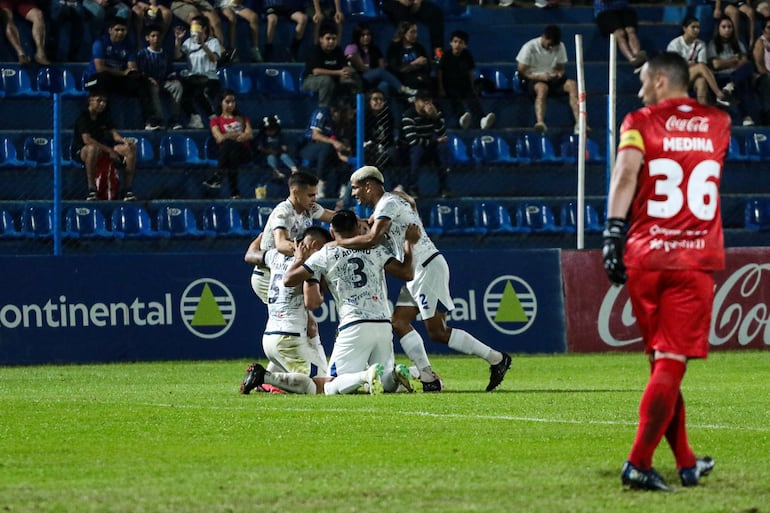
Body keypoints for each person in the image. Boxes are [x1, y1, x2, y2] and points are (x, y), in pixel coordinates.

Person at [602, 51, 727, 491]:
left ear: (658, 81)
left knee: (661, 365)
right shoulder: (718, 124)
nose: (638, 91)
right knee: (671, 364)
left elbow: (624, 178)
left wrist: (612, 234)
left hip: (645, 257)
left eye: (641, 81)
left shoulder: (639, 122)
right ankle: (638, 463)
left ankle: (688, 463)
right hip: (691, 260)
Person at [338, 166, 513, 393]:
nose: (353, 194)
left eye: (355, 188)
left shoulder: (387, 204)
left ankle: (497, 359)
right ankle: (428, 376)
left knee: (437, 332)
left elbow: (372, 239)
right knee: (399, 322)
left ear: (368, 186)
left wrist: (338, 244)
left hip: (426, 266)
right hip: (417, 269)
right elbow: (408, 203)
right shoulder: (392, 202)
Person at [281, 209, 419, 395]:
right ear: (357, 228)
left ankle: (364, 376)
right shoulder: (376, 249)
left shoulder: (325, 254)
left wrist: (300, 259)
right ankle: (395, 375)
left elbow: (289, 279)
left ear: (332, 232)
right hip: (383, 324)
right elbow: (407, 273)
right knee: (386, 384)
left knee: (331, 386)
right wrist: (409, 244)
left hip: (354, 324)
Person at [240, 226, 333, 395]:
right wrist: (323, 281)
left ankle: (268, 382)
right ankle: (265, 378)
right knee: (320, 385)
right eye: (323, 248)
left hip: (270, 337)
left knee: (309, 379)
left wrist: (262, 235)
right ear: (314, 244)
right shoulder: (309, 263)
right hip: (289, 338)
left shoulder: (276, 255)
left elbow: (250, 254)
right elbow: (312, 302)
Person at [84, 17, 164, 131]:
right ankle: (103, 122)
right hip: (94, 80)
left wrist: (137, 75)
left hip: (116, 80)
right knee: (103, 78)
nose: (120, 33)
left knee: (141, 82)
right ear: (110, 30)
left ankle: (150, 120)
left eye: (123, 30)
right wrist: (123, 72)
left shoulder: (128, 46)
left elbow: (132, 68)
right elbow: (100, 68)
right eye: (117, 30)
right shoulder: (100, 43)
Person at [72, 90, 138, 201]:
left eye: (104, 101)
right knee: (93, 149)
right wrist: (109, 151)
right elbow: (87, 140)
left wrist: (124, 141)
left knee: (130, 149)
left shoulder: (104, 116)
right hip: (83, 151)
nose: (102, 104)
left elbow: (114, 134)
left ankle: (127, 190)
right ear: (90, 100)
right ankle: (92, 190)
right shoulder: (83, 117)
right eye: (99, 100)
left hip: (104, 149)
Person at [516, 24, 582, 135]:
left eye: (554, 46)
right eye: (549, 44)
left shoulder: (560, 46)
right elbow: (522, 72)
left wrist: (559, 74)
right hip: (533, 78)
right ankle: (540, 123)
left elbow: (561, 68)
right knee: (542, 88)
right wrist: (539, 76)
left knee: (572, 85)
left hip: (552, 78)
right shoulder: (529, 47)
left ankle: (579, 123)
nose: (551, 48)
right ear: (544, 37)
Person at [666, 15, 733, 107]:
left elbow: (702, 64)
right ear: (685, 28)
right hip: (676, 79)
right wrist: (694, 65)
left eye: (698, 27)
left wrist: (692, 65)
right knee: (700, 67)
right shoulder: (675, 44)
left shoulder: (700, 44)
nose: (696, 30)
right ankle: (719, 94)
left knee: (701, 81)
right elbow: (676, 67)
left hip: (691, 77)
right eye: (693, 27)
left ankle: (703, 111)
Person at [437, 29, 495, 130]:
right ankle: (461, 118)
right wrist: (441, 89)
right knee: (456, 98)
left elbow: (470, 72)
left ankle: (483, 119)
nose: (457, 44)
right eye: (455, 42)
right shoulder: (446, 55)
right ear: (451, 43)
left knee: (473, 99)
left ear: (465, 45)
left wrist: (472, 86)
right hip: (450, 85)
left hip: (465, 85)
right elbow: (440, 73)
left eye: (461, 42)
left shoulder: (467, 55)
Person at [706, 15, 758, 125]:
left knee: (749, 66)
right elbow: (716, 65)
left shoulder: (738, 43)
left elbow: (743, 62)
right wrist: (734, 59)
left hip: (736, 76)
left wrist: (725, 63)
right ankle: (746, 117)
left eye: (729, 27)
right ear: (718, 29)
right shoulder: (712, 44)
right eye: (723, 27)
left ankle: (730, 86)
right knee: (744, 82)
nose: (727, 30)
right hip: (721, 77)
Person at [399, 90, 451, 199]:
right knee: (417, 150)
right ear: (416, 102)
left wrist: (435, 117)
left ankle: (444, 188)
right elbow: (413, 141)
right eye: (424, 101)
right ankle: (412, 187)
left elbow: (442, 135)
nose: (427, 104)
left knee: (443, 148)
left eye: (429, 101)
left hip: (428, 147)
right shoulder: (408, 115)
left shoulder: (435, 113)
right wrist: (435, 142)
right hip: (408, 150)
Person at [174, 15, 222, 128]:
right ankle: (195, 118)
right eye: (192, 27)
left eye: (196, 26)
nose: (193, 29)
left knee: (198, 91)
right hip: (193, 77)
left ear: (204, 28)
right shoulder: (188, 42)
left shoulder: (213, 41)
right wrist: (178, 40)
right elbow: (177, 56)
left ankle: (212, 117)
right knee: (183, 91)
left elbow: (214, 58)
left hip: (210, 77)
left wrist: (202, 44)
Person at [345, 22, 417, 97]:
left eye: (368, 34)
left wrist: (376, 71)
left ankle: (404, 98)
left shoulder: (374, 49)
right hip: (359, 78)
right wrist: (374, 71)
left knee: (385, 83)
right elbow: (360, 67)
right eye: (363, 35)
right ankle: (402, 89)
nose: (366, 37)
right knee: (380, 72)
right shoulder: (351, 47)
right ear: (357, 36)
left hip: (375, 77)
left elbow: (382, 66)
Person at [204, 89, 253, 198]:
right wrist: (238, 134)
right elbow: (219, 138)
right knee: (230, 150)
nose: (231, 105)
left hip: (244, 152)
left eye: (233, 102)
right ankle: (234, 193)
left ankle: (218, 175)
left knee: (229, 145)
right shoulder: (216, 121)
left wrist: (229, 135)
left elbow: (249, 134)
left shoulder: (242, 118)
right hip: (228, 153)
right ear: (221, 102)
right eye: (227, 102)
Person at [300, 101, 353, 199]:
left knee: (343, 155)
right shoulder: (322, 113)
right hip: (311, 148)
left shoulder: (344, 121)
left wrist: (345, 147)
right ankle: (319, 182)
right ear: (334, 111)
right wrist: (334, 142)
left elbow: (345, 140)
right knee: (326, 147)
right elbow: (315, 135)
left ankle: (344, 187)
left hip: (332, 152)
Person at [302, 23, 360, 108]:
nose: (331, 41)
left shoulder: (338, 50)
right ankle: (323, 111)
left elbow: (344, 66)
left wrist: (348, 71)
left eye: (334, 39)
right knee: (326, 80)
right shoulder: (315, 50)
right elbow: (316, 71)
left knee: (352, 79)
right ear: (321, 39)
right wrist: (338, 72)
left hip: (334, 80)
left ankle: (351, 109)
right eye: (328, 38)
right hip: (311, 80)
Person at [137, 26, 184, 130]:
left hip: (164, 81)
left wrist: (172, 77)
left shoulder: (165, 53)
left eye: (158, 36)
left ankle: (174, 120)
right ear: (147, 38)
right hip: (149, 82)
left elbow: (170, 70)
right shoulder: (142, 54)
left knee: (177, 86)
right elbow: (140, 72)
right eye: (153, 36)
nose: (156, 38)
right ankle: (157, 119)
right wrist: (148, 78)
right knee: (153, 88)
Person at [380, 0, 445, 63]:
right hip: (393, 2)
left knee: (436, 13)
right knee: (403, 15)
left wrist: (417, 1)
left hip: (413, 2)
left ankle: (438, 55)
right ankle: (407, 56)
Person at [594, 0, 647, 69]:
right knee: (619, 33)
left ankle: (637, 56)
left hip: (623, 10)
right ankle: (632, 59)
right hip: (604, 12)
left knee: (630, 30)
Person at [386, 21, 432, 93]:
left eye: (416, 32)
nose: (416, 35)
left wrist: (422, 75)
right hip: (401, 80)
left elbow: (427, 66)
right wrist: (414, 63)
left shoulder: (419, 47)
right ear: (404, 33)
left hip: (418, 78)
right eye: (412, 32)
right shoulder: (394, 48)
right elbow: (396, 69)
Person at [0, 0, 49, 65]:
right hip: (5, 2)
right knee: (7, 17)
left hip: (22, 2)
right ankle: (21, 55)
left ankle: (40, 54)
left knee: (38, 15)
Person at [255, 114, 299, 180]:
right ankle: (275, 172)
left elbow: (284, 147)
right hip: (266, 154)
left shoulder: (280, 136)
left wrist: (278, 151)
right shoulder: (261, 137)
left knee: (284, 156)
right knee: (271, 157)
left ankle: (294, 170)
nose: (271, 131)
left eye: (273, 129)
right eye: (268, 130)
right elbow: (260, 148)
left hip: (278, 152)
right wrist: (269, 151)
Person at [364, 90, 398, 171]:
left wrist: (382, 146)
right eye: (375, 99)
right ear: (369, 101)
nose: (379, 102)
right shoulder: (364, 115)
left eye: (381, 99)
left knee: (393, 152)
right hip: (367, 145)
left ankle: (396, 182)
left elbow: (389, 135)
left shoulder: (388, 115)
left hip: (384, 146)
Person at [752, 18, 770, 124]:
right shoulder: (760, 42)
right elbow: (760, 66)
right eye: (769, 27)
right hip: (763, 76)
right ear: (763, 30)